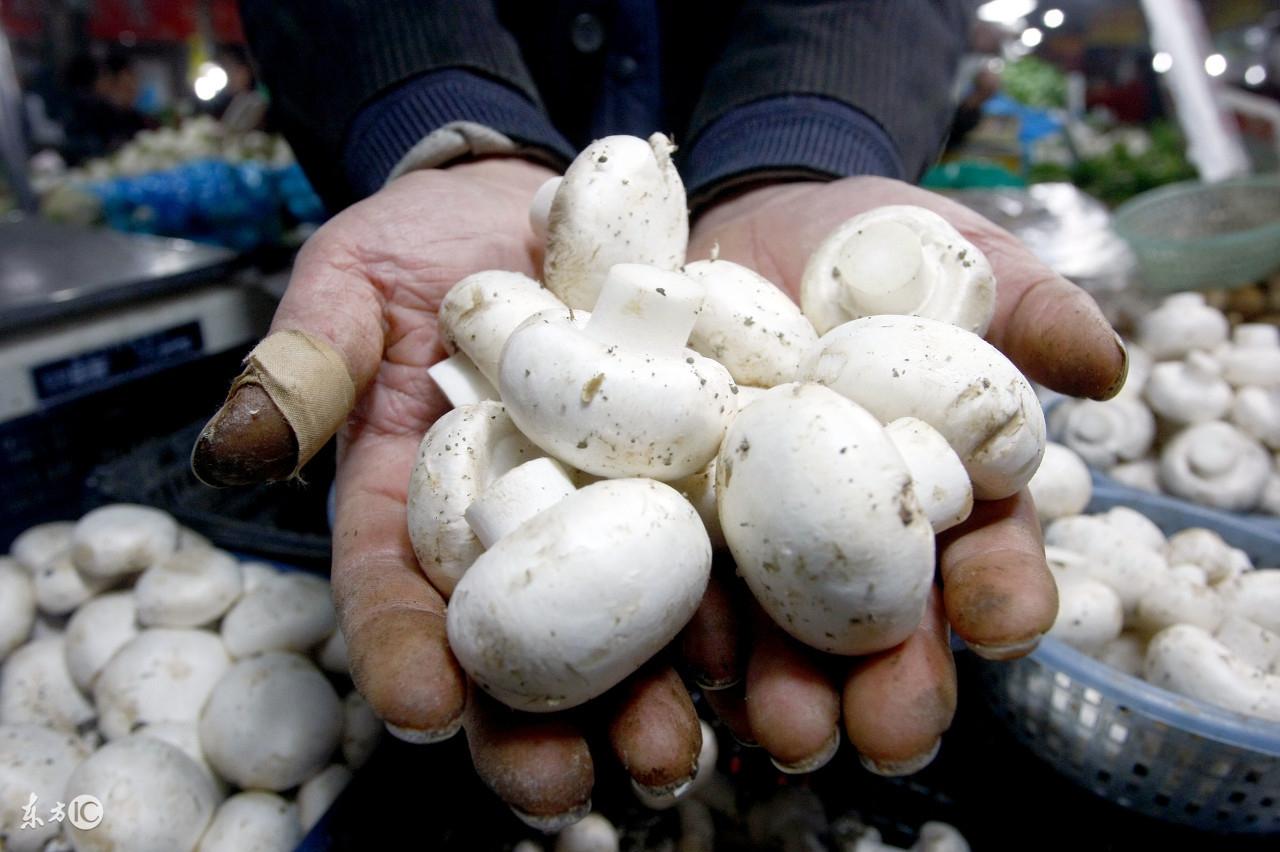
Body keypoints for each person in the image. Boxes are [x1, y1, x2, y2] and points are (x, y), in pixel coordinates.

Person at [194, 1, 1127, 829]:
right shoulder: (605, 400)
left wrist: (807, 139)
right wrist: (442, 127)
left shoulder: (768, 393)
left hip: (732, 182)